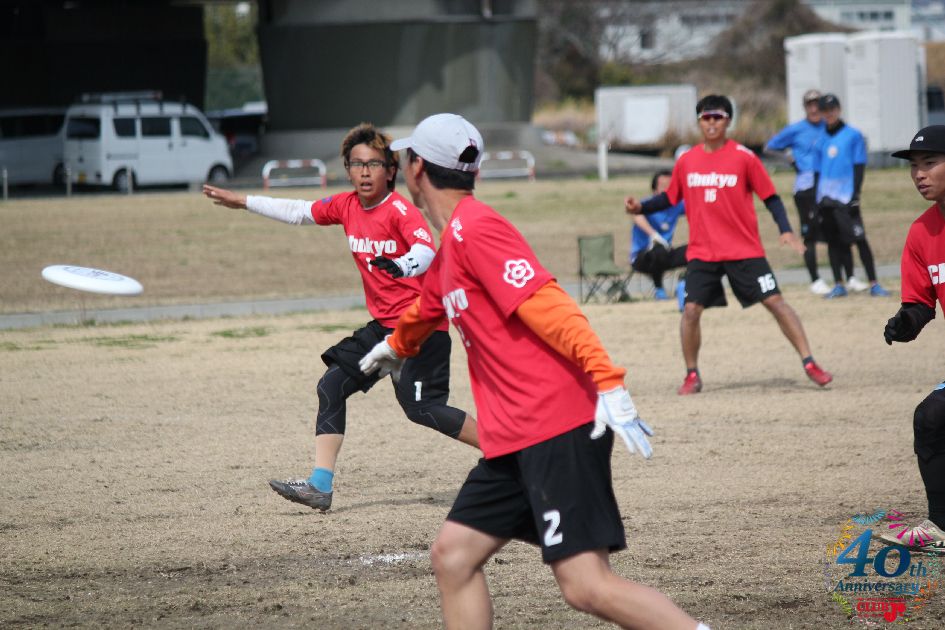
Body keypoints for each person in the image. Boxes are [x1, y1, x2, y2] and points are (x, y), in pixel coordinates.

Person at [359, 113, 710, 630]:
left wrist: (609, 380)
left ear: (416, 170)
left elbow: (553, 307)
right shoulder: (453, 242)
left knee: (586, 586)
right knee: (453, 557)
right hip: (512, 440)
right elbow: (429, 305)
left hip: (555, 427)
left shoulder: (478, 229)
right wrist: (396, 345)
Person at [202, 122, 478, 512]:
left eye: (374, 164)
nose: (365, 172)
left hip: (421, 329)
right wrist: (244, 201)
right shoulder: (347, 206)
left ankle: (506, 450)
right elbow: (299, 212)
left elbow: (426, 251)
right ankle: (319, 485)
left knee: (423, 409)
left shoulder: (400, 210)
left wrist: (402, 265)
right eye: (357, 164)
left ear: (391, 170)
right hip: (384, 327)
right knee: (331, 386)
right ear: (347, 169)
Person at [625, 94, 833, 395]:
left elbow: (771, 198)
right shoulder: (687, 161)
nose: (711, 123)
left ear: (728, 121)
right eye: (706, 117)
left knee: (775, 302)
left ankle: (810, 363)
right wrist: (640, 207)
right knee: (691, 310)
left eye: (718, 117)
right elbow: (670, 198)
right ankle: (692, 375)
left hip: (743, 250)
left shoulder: (744, 157)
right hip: (703, 252)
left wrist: (786, 230)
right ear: (699, 122)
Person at [880, 125, 945, 553]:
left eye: (930, 163)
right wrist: (906, 322)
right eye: (914, 166)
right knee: (931, 418)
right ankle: (940, 527)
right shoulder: (922, 232)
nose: (919, 174)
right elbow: (920, 302)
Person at [813, 93, 891, 299]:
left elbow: (859, 167)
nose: (829, 114)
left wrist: (855, 194)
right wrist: (815, 198)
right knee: (833, 242)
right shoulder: (820, 139)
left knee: (859, 239)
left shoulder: (853, 135)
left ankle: (874, 284)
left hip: (846, 197)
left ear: (839, 110)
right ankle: (839, 285)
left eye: (832, 109)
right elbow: (817, 172)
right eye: (825, 110)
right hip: (825, 198)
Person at [764, 88, 831, 295]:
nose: (814, 108)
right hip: (805, 187)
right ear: (805, 107)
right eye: (809, 105)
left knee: (835, 230)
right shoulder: (796, 129)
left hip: (829, 185)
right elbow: (769, 148)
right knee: (809, 233)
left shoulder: (829, 126)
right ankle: (815, 279)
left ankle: (844, 278)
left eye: (817, 104)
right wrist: (789, 159)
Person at [626, 170, 688, 306]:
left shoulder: (676, 205)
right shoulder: (648, 203)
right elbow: (637, 215)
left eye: (670, 186)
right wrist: (654, 235)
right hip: (642, 257)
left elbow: (695, 207)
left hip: (666, 253)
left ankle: (685, 284)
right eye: (663, 186)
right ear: (654, 189)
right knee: (658, 251)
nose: (667, 190)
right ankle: (659, 289)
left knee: (694, 250)